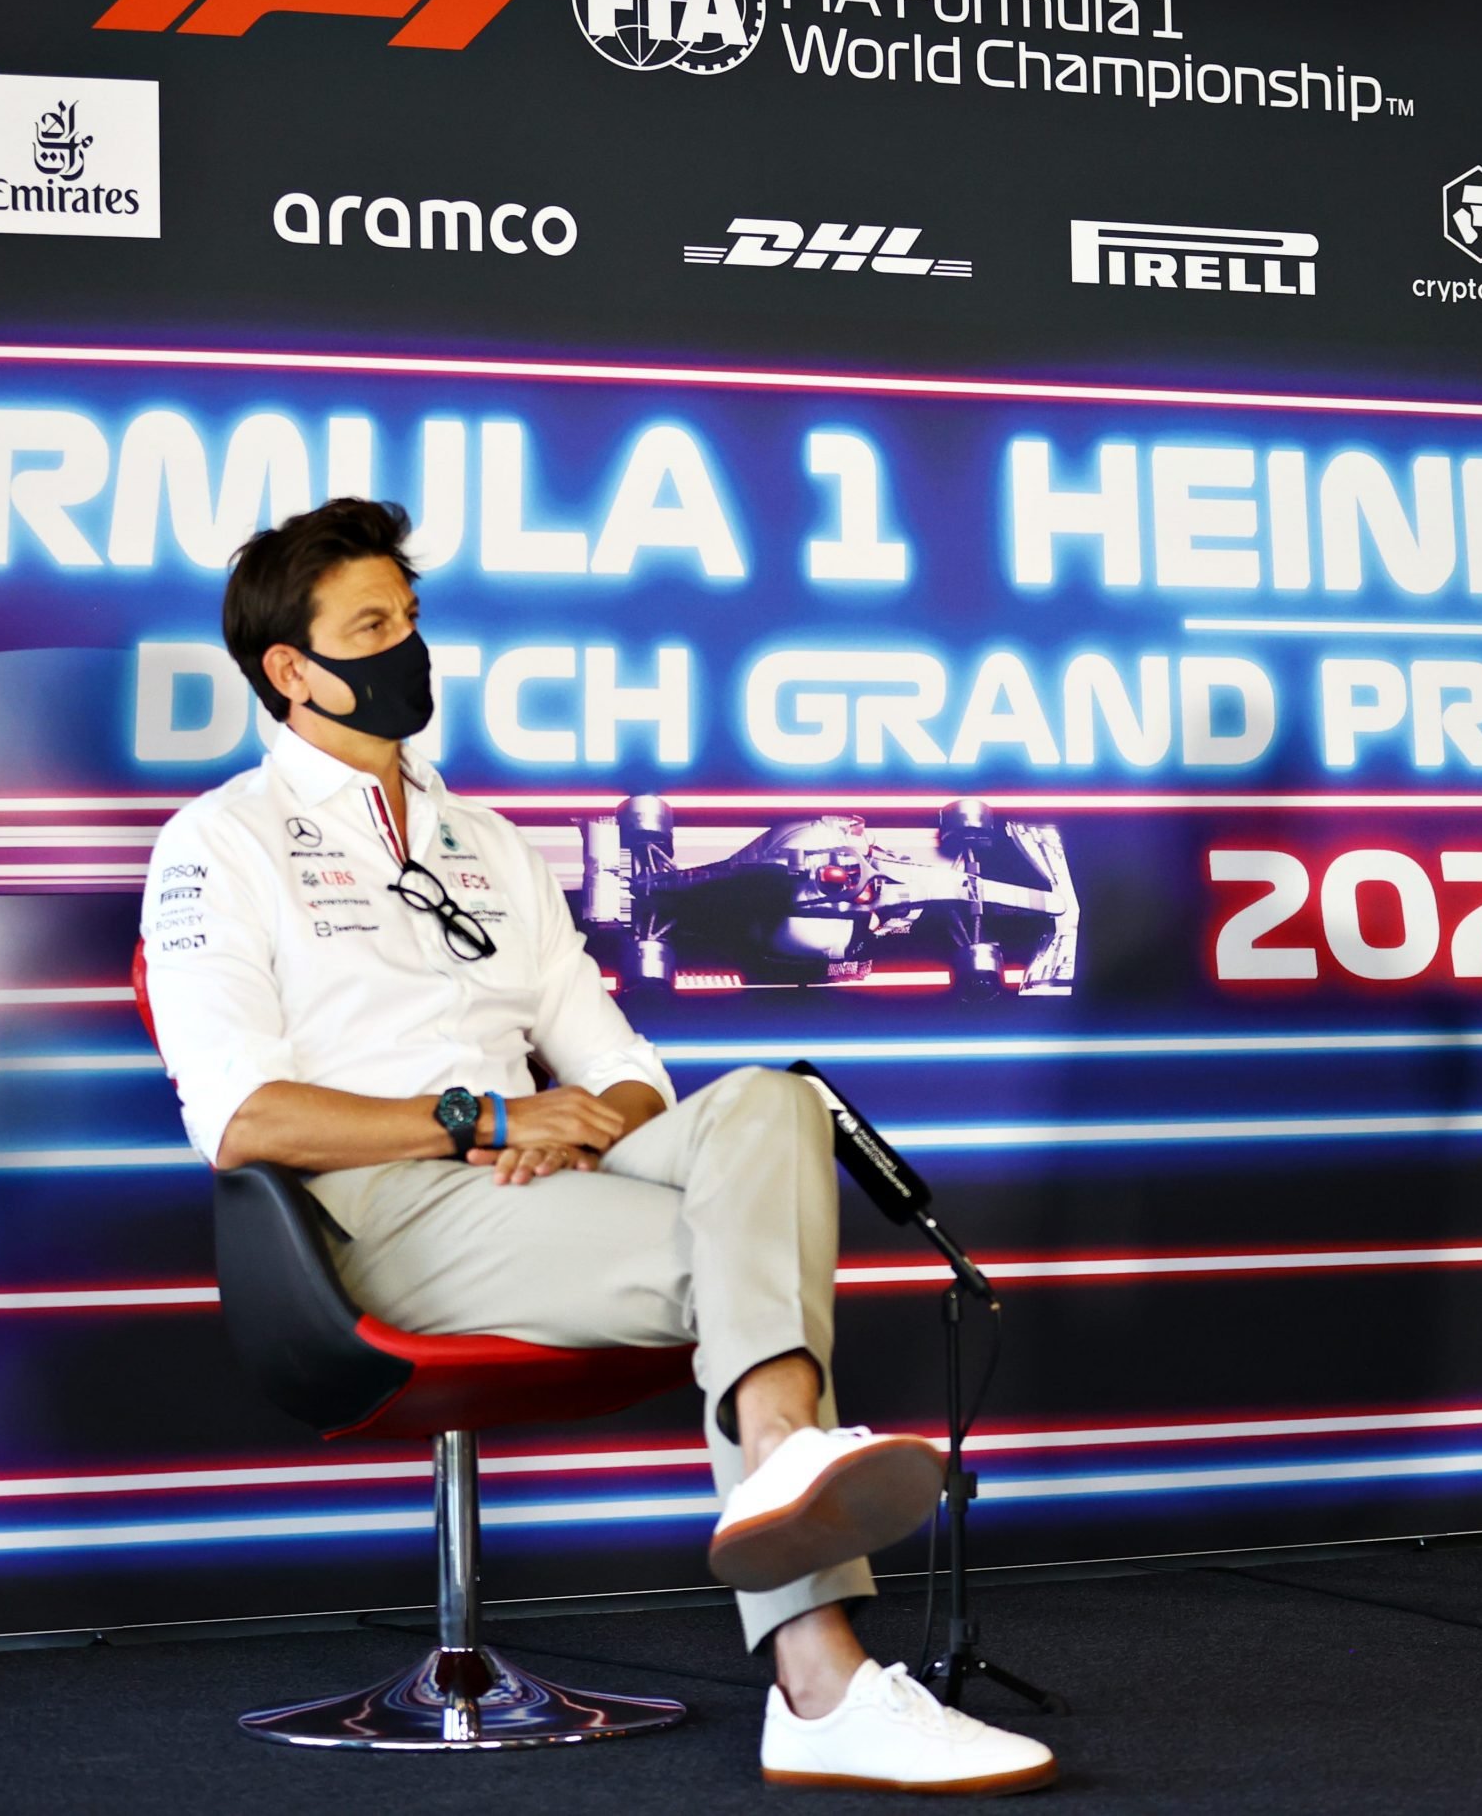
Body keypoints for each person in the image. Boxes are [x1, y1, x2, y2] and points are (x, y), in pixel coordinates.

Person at [141, 498, 1059, 1791]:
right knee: (748, 1266)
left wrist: (580, 1128)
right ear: (290, 670)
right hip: (373, 1218)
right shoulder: (217, 844)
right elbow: (240, 1117)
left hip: (543, 1184)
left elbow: (625, 1067)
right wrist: (487, 1119)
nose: (409, 649)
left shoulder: (491, 846)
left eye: (410, 621)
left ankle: (784, 1461)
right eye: (371, 627)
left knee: (773, 1098)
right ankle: (818, 1677)